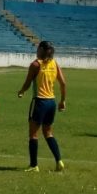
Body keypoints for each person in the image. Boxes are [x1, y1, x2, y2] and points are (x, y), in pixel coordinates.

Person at [16, 41, 67, 172]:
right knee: (48, 132)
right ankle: (59, 161)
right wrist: (62, 101)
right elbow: (63, 83)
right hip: (51, 102)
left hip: (39, 101)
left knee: (33, 134)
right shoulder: (54, 63)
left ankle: (34, 165)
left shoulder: (35, 64)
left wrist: (21, 91)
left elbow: (27, 83)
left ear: (40, 49)